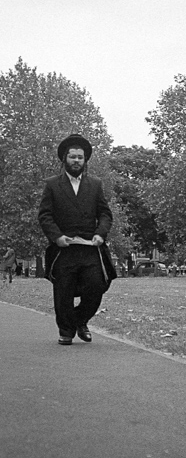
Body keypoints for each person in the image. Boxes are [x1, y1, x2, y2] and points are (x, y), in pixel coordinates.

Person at [38, 133, 116, 345]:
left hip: (90, 248)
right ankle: (66, 331)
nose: (76, 161)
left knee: (97, 285)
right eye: (72, 157)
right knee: (63, 290)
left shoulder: (95, 184)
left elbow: (105, 214)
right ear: (65, 158)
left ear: (85, 160)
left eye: (80, 157)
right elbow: (45, 215)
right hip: (64, 248)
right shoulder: (52, 185)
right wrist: (56, 237)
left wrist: (100, 233)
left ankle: (80, 320)